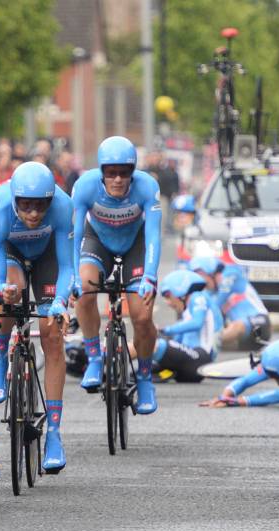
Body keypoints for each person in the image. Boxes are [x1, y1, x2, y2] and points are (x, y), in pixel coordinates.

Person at [0, 161, 73, 473]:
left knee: (51, 332)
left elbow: (67, 265)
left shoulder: (63, 206)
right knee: (12, 290)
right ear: (14, 201)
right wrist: (0, 289)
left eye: (41, 206)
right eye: (26, 206)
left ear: (51, 201)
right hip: (9, 253)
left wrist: (61, 302)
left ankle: (54, 433)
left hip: (48, 255)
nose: (34, 214)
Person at [72, 136, 161, 414]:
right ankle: (95, 359)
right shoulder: (84, 187)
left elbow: (155, 236)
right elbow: (73, 237)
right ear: (101, 172)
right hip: (97, 241)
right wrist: (73, 276)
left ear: (133, 173)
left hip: (135, 244)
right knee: (85, 288)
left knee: (142, 316)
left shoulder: (147, 187)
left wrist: (149, 277)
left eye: (125, 172)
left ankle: (144, 378)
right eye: (111, 173)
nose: (118, 179)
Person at [131, 269, 222, 383]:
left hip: (200, 358)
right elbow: (178, 343)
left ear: (181, 290)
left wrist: (166, 330)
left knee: (150, 342)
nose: (168, 302)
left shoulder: (198, 297)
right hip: (190, 362)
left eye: (168, 295)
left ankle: (107, 359)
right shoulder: (187, 312)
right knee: (134, 374)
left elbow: (197, 323)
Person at [188, 256, 270, 349]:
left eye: (204, 282)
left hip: (259, 321)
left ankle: (203, 343)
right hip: (240, 334)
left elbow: (214, 305)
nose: (204, 287)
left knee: (237, 325)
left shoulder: (231, 273)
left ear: (211, 273)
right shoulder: (212, 288)